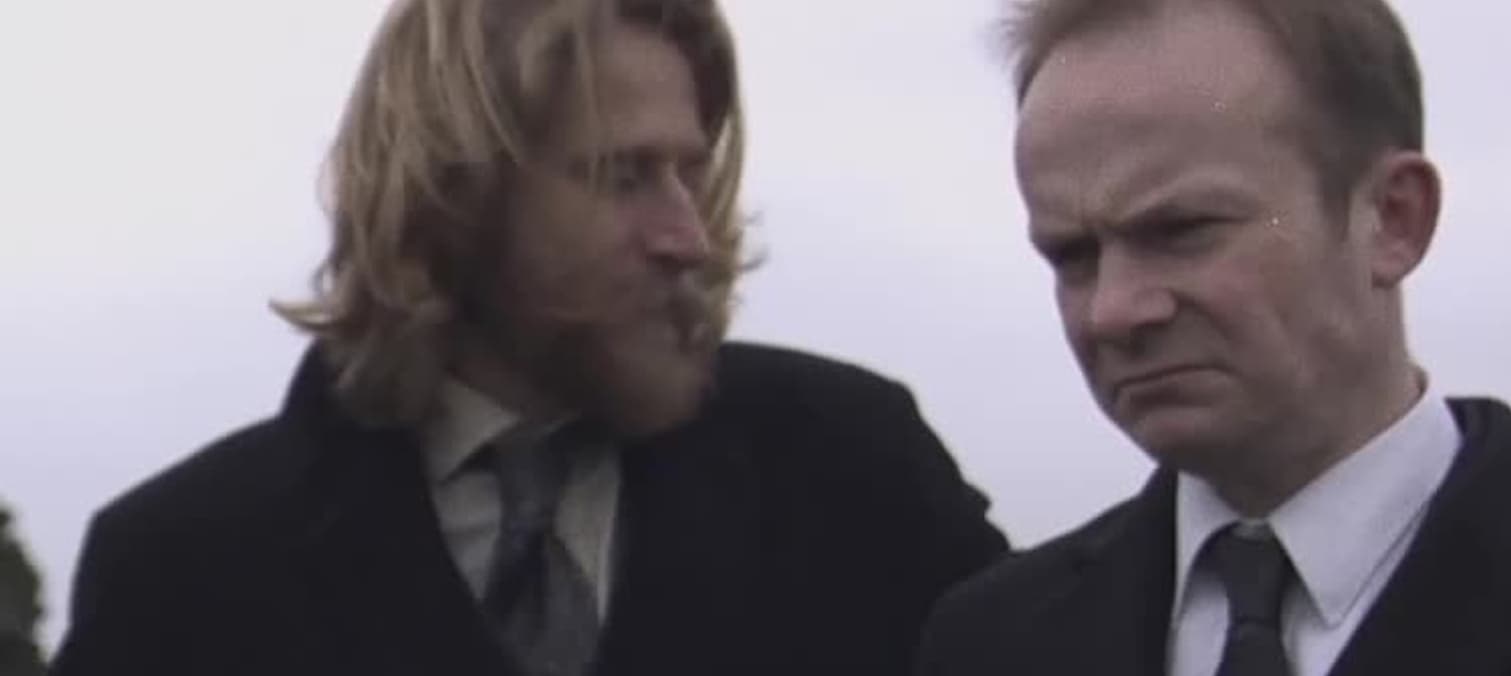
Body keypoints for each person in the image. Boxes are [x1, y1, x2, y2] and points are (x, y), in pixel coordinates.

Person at [911, 0, 1511, 674]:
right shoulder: (989, 644)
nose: (1115, 309)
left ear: (1393, 218)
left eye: (1183, 231)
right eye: (1072, 255)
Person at [47, 2, 1010, 675]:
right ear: (456, 195)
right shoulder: (181, 567)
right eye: (624, 176)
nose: (687, 236)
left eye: (690, 173)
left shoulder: (851, 465)